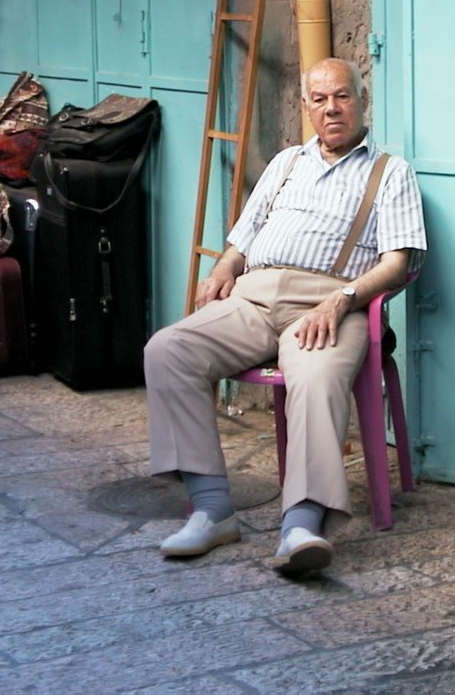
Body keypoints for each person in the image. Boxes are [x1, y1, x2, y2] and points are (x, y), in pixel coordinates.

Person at [145, 57, 427, 576]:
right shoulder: (286, 163)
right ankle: (211, 509)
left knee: (316, 377)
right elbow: (241, 240)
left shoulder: (390, 172)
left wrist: (343, 298)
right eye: (319, 99)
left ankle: (301, 524)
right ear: (306, 107)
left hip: (329, 304)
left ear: (362, 101)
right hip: (253, 297)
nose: (331, 108)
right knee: (168, 349)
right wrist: (224, 268)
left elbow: (397, 263)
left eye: (341, 96)